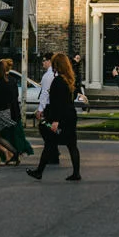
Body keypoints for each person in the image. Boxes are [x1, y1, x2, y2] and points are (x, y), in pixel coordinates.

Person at [28, 52, 81, 181]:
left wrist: (56, 121)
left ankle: (39, 171)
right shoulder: (70, 80)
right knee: (71, 145)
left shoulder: (58, 81)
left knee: (50, 143)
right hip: (70, 115)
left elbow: (57, 103)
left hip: (60, 116)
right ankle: (76, 173)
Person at [0, 59, 35, 159]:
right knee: (15, 133)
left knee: (7, 134)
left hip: (7, 110)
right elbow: (16, 95)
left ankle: (10, 154)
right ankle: (16, 152)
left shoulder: (4, 80)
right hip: (14, 110)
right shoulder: (12, 79)